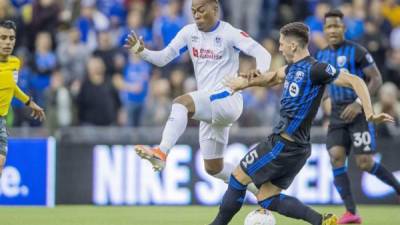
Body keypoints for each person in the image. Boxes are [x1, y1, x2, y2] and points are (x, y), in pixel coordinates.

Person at [208, 22, 394, 225]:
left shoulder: (316, 69)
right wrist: (245, 82)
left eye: (281, 44)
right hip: (298, 149)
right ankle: (321, 221)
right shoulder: (292, 69)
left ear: (293, 46)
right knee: (267, 198)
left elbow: (356, 81)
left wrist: (368, 113)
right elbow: (271, 78)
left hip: (282, 144)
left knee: (237, 177)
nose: (279, 48)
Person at [124, 0, 271, 195]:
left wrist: (259, 72)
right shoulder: (188, 33)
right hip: (209, 106)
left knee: (181, 103)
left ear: (215, 8)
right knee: (213, 168)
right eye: (193, 11)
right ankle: (260, 190)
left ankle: (161, 151)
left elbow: (263, 53)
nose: (197, 14)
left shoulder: (229, 33)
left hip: (228, 99)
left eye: (201, 10)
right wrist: (141, 52)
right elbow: (163, 58)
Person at [316, 10, 400, 224]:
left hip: (359, 112)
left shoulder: (357, 51)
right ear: (324, 30)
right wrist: (325, 107)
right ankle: (352, 212)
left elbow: (376, 78)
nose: (333, 30)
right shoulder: (321, 56)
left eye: (336, 26)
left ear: (344, 28)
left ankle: (398, 189)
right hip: (336, 114)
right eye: (328, 27)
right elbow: (323, 87)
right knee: (335, 156)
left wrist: (359, 102)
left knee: (364, 162)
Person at [0, 20, 45, 177]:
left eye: (11, 38)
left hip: (1, 119)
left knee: (0, 162)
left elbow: (11, 87)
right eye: (3, 37)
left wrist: (29, 102)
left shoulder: (15, 63)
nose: (7, 42)